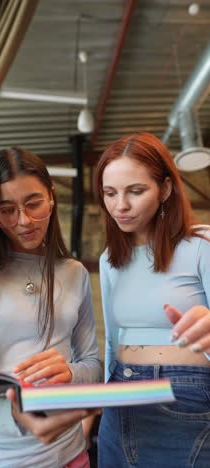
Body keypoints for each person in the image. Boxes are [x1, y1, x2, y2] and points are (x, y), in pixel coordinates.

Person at [0, 147, 102, 468]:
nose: (24, 221)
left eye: (34, 204)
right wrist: (15, 417)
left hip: (67, 456)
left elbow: (93, 365)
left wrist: (71, 373)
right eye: (7, 209)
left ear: (52, 197)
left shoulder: (74, 273)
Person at [94, 132, 210, 468]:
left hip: (186, 398)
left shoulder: (201, 245)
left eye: (136, 191)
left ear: (166, 190)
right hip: (119, 398)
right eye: (110, 193)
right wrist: (102, 401)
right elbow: (113, 340)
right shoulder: (109, 259)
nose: (121, 206)